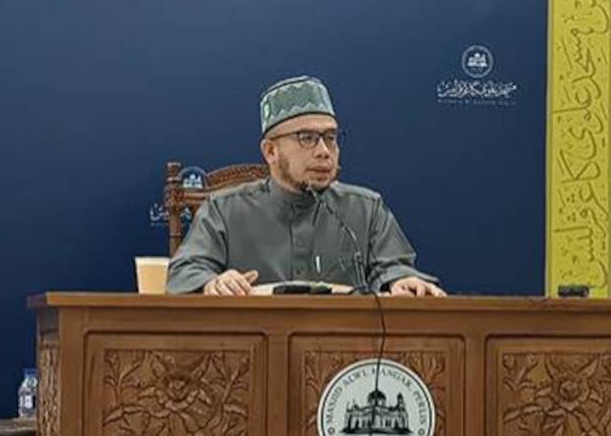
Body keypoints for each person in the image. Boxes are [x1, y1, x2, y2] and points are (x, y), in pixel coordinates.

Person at [165, 75, 444, 297]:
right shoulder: (224, 210)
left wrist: (400, 281)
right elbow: (185, 272)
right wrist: (214, 282)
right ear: (270, 151)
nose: (324, 151)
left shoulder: (367, 209)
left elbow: (393, 268)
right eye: (307, 138)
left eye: (331, 138)